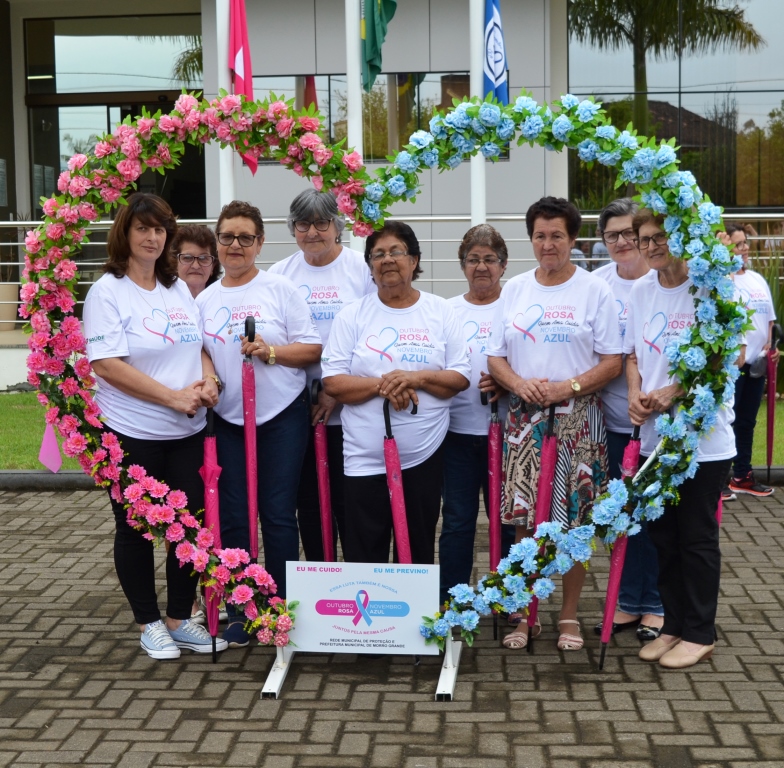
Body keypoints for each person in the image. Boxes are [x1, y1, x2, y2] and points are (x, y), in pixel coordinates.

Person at [83, 193, 227, 660]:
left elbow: (198, 346)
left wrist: (209, 380)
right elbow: (106, 365)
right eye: (143, 228)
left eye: (160, 229)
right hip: (132, 433)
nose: (152, 237)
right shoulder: (107, 291)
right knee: (136, 529)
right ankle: (148, 623)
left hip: (186, 432)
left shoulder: (177, 287)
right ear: (124, 232)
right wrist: (171, 397)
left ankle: (179, 619)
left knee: (190, 526)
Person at [486, 196, 622, 652]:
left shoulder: (594, 290)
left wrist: (569, 386)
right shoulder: (515, 289)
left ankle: (568, 615)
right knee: (524, 521)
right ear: (531, 239)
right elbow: (495, 356)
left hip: (578, 420)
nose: (548, 244)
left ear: (573, 239)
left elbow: (613, 361)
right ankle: (526, 613)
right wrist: (518, 384)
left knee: (575, 524)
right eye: (540, 236)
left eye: (557, 236)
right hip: (525, 420)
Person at [195, 200, 322, 647]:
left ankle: (278, 606)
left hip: (280, 415)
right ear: (217, 242)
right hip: (228, 419)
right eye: (227, 237)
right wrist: (210, 376)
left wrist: (271, 352)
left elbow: (312, 349)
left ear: (260, 243)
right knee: (234, 514)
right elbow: (199, 350)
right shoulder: (205, 299)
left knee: (277, 512)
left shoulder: (280, 290)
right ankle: (241, 608)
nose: (236, 245)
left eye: (245, 237)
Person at [625, 208, 738, 669]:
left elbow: (723, 357)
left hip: (702, 441)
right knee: (664, 537)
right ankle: (672, 625)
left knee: (696, 537)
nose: (652, 246)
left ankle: (700, 632)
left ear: (680, 238)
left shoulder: (709, 288)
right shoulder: (640, 291)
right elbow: (633, 355)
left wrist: (674, 391)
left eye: (660, 237)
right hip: (655, 437)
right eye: (644, 239)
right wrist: (635, 393)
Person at [322, 221, 470, 564]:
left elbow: (460, 377)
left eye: (396, 252)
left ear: (414, 260)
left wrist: (416, 378)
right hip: (363, 458)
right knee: (364, 554)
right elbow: (333, 382)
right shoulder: (352, 315)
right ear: (370, 265)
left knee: (417, 552)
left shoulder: (440, 311)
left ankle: (416, 603)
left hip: (423, 456)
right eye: (378, 254)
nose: (387, 260)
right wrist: (383, 386)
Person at [268, 190, 375, 560]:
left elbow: (373, 334)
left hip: (351, 408)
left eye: (321, 223)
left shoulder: (361, 270)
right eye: (303, 224)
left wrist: (335, 389)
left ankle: (357, 578)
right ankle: (320, 577)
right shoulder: (279, 275)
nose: (312, 232)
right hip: (297, 406)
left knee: (350, 502)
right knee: (310, 503)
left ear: (337, 225)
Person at [591, 199, 664, 642]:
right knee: (622, 516)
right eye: (611, 235)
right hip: (611, 423)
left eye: (628, 234)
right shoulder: (597, 284)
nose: (621, 242)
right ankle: (628, 599)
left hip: (658, 424)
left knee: (654, 517)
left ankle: (656, 603)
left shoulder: (661, 282)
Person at [438, 224, 514, 604]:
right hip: (457, 435)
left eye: (489, 259)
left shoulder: (514, 305)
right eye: (473, 260)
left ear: (503, 265)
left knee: (509, 522)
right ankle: (452, 601)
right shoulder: (447, 310)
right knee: (457, 521)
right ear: (462, 265)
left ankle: (509, 598)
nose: (481, 267)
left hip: (510, 434)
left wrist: (508, 383)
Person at [724, 224, 778, 498]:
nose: (744, 248)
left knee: (747, 422)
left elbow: (769, 319)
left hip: (757, 363)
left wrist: (771, 346)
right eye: (738, 244)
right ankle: (719, 481)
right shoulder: (724, 281)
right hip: (732, 365)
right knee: (725, 422)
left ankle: (741, 476)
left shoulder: (757, 279)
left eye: (745, 242)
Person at [173, 224, 221, 299]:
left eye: (203, 258)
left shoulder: (223, 301)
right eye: (188, 258)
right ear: (174, 263)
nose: (196, 266)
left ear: (213, 266)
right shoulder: (162, 300)